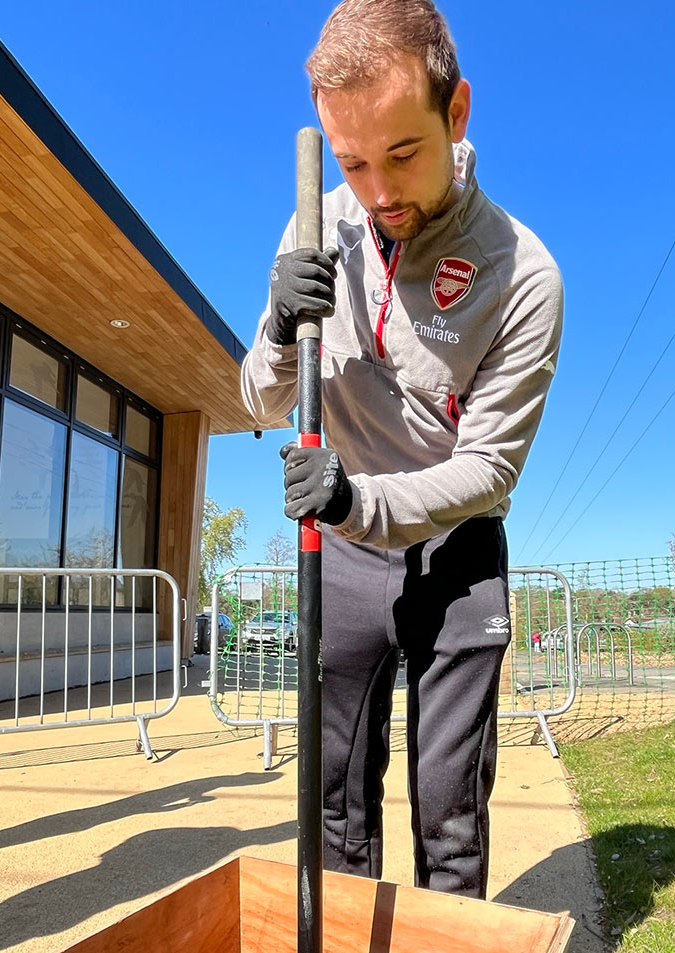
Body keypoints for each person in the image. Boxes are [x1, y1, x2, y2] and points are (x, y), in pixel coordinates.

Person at [241, 0, 563, 899]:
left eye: (403, 154)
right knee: (335, 803)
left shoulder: (523, 274)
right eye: (352, 161)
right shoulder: (317, 221)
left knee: (447, 811)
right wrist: (275, 326)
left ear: (456, 114)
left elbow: (490, 466)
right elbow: (257, 396)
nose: (378, 193)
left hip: (455, 554)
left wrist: (358, 500)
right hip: (339, 560)